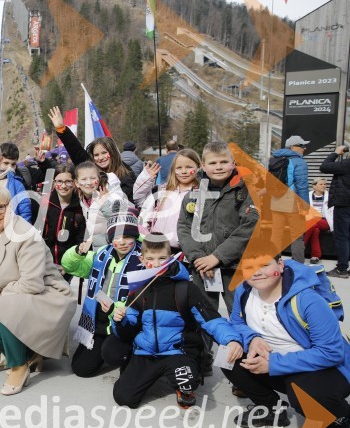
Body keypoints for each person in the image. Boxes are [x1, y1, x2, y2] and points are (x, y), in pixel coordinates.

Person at [223, 256, 350, 428]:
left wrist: (273, 364)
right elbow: (237, 323)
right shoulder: (245, 290)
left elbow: (330, 352)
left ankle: (338, 419)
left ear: (280, 265)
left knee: (302, 391)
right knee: (227, 355)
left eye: (265, 265)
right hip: (273, 361)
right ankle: (271, 408)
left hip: (320, 367)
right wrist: (252, 339)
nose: (257, 272)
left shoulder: (307, 300)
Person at [109, 236, 243, 409]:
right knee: (123, 398)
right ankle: (136, 371)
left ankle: (183, 387)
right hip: (146, 352)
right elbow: (128, 329)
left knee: (187, 381)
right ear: (141, 259)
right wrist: (120, 320)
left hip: (177, 352)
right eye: (150, 259)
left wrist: (231, 340)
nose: (156, 264)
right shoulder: (138, 289)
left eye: (162, 258)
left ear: (171, 257)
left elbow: (211, 319)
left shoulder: (185, 288)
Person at [0, 186, 76, 395]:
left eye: (1, 207)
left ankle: (19, 367)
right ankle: (32, 353)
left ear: (10, 207)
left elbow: (32, 284)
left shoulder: (25, 234)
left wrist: (4, 296)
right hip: (18, 297)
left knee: (6, 308)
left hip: (47, 295)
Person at [62, 205, 145, 377]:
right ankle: (104, 345)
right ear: (110, 238)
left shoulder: (143, 259)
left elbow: (143, 299)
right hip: (98, 322)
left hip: (124, 323)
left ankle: (132, 353)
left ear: (135, 237)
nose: (122, 242)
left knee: (113, 354)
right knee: (81, 369)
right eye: (117, 237)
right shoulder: (101, 254)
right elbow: (71, 267)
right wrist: (78, 252)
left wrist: (116, 309)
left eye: (128, 236)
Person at [177, 141, 259, 314]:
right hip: (203, 269)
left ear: (233, 163)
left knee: (241, 314)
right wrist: (198, 258)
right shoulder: (193, 195)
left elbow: (250, 227)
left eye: (224, 162)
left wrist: (217, 257)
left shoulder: (246, 191)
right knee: (204, 316)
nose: (219, 167)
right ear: (203, 165)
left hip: (235, 267)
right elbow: (184, 227)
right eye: (213, 163)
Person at [134, 149, 201, 251]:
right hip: (156, 248)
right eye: (179, 168)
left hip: (182, 251)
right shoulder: (162, 190)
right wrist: (146, 178)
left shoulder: (200, 194)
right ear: (173, 170)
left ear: (198, 168)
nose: (184, 171)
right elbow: (138, 198)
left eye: (189, 167)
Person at [268, 135, 310, 263]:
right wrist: (305, 205)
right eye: (301, 145)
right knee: (297, 236)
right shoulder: (299, 162)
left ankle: (273, 263)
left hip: (276, 201)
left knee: (276, 235)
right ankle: (298, 266)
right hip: (293, 202)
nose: (304, 148)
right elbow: (302, 185)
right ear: (292, 147)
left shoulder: (275, 159)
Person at [41, 164, 86, 272]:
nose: (63, 186)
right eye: (59, 181)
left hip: (69, 265)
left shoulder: (81, 206)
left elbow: (80, 239)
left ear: (75, 182)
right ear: (54, 183)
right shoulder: (45, 203)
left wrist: (69, 265)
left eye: (68, 181)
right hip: (46, 263)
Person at [320, 144, 350, 278]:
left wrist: (336, 153)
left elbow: (324, 167)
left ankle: (342, 269)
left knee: (341, 236)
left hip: (344, 205)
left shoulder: (346, 164)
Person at [304, 178, 333, 264]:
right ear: (314, 186)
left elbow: (333, 212)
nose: (324, 186)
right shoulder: (307, 196)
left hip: (325, 221)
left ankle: (301, 246)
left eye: (325, 184)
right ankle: (315, 256)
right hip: (312, 221)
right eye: (321, 184)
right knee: (315, 230)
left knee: (312, 223)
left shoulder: (330, 196)